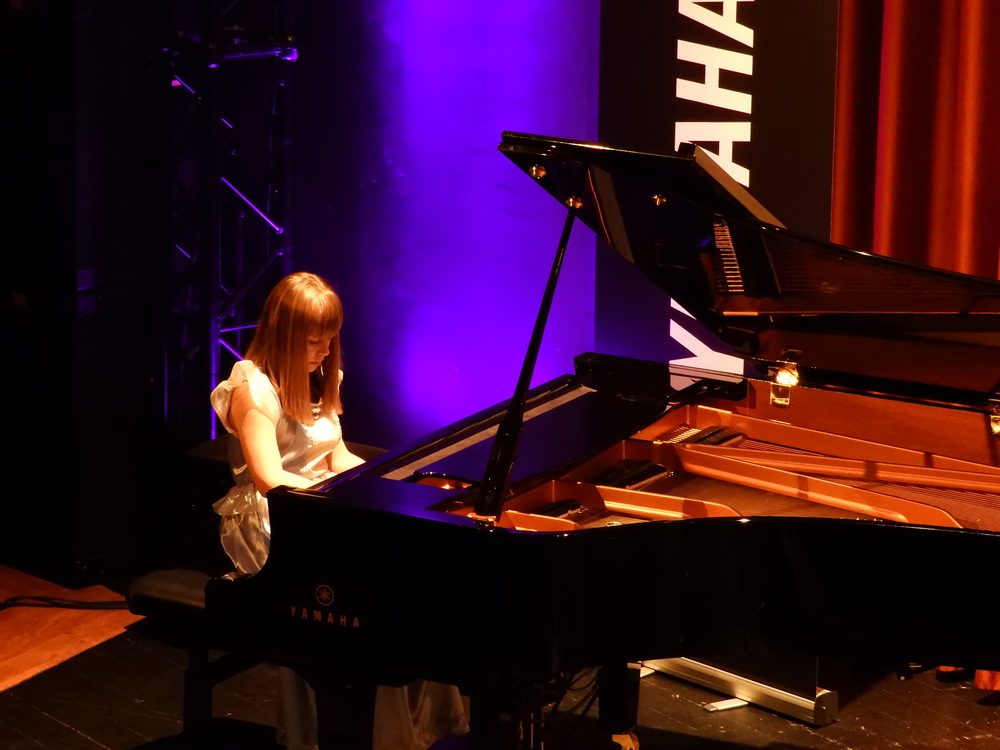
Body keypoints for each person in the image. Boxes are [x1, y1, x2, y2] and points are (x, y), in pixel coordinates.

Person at [210, 271, 466, 750]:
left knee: (412, 573)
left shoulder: (320, 375)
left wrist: (388, 481)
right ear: (285, 336)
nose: (325, 352)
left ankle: (415, 727)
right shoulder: (252, 388)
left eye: (330, 340)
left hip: (321, 506)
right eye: (314, 342)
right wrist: (338, 498)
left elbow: (336, 456)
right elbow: (269, 477)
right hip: (273, 516)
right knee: (367, 589)